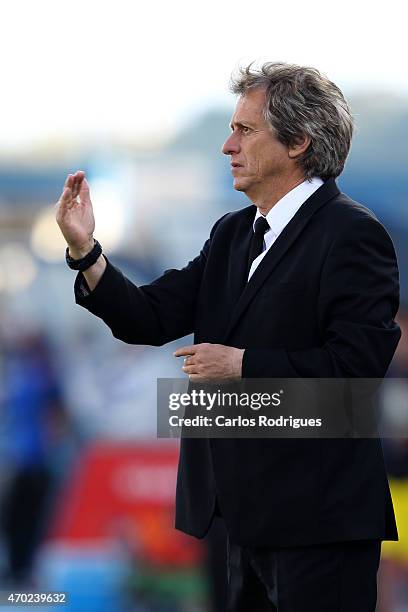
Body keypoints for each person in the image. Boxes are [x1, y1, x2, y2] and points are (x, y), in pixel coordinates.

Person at [55, 62, 401, 611]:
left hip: (317, 522)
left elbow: (354, 374)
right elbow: (148, 316)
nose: (227, 145)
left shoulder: (353, 233)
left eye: (245, 130)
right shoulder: (233, 232)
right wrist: (86, 253)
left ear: (298, 142)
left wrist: (241, 364)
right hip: (237, 516)